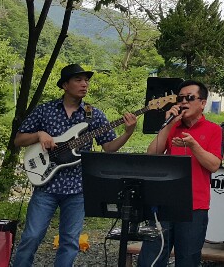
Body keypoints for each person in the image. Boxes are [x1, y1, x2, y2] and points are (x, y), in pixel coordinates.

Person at [12, 64, 137, 267]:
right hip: (46, 185)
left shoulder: (93, 114)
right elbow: (18, 140)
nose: (84, 84)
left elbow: (109, 147)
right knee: (31, 237)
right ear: (65, 85)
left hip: (78, 188)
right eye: (78, 80)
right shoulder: (45, 110)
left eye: (86, 80)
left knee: (70, 242)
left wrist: (128, 133)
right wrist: (39, 134)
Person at [137, 80, 222, 267]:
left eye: (189, 98)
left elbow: (214, 165)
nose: (183, 102)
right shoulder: (172, 126)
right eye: (180, 98)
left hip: (194, 206)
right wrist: (168, 125)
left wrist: (193, 145)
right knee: (151, 258)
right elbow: (152, 155)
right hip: (165, 203)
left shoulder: (214, 130)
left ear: (202, 103)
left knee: (187, 260)